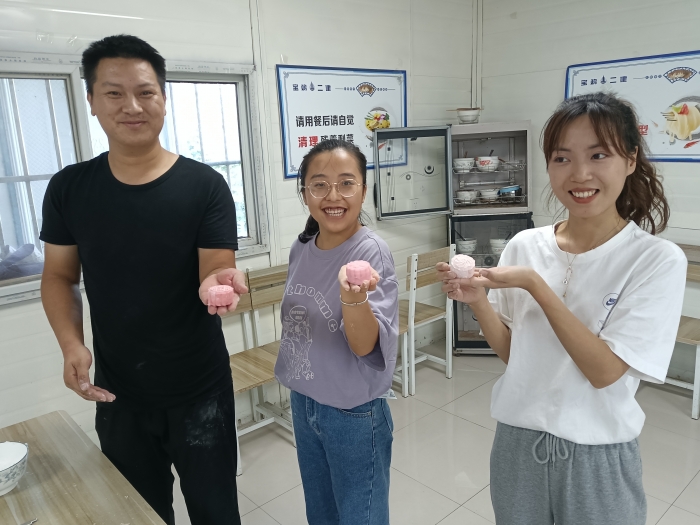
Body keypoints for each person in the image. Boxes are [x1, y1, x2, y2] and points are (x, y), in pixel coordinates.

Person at [439, 92, 686, 525]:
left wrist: (537, 286)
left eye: (598, 155)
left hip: (597, 454)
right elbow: (516, 355)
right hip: (517, 444)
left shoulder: (655, 260)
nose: (580, 173)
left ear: (630, 160)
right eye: (562, 158)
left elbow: (604, 372)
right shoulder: (524, 245)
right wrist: (478, 302)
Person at [40, 35, 246, 525]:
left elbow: (217, 266)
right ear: (91, 101)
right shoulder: (69, 188)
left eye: (145, 92)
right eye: (114, 93)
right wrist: (71, 344)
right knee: (139, 515)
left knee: (217, 514)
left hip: (201, 390)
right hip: (119, 394)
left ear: (164, 99)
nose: (132, 106)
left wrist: (217, 283)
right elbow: (59, 276)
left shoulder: (204, 186)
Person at [275, 139, 399, 524]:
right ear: (305, 193)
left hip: (353, 413)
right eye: (319, 184)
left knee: (360, 517)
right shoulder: (301, 248)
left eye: (346, 183)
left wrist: (353, 298)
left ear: (364, 189)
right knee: (321, 513)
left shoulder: (371, 251)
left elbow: (364, 346)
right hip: (304, 401)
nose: (333, 196)